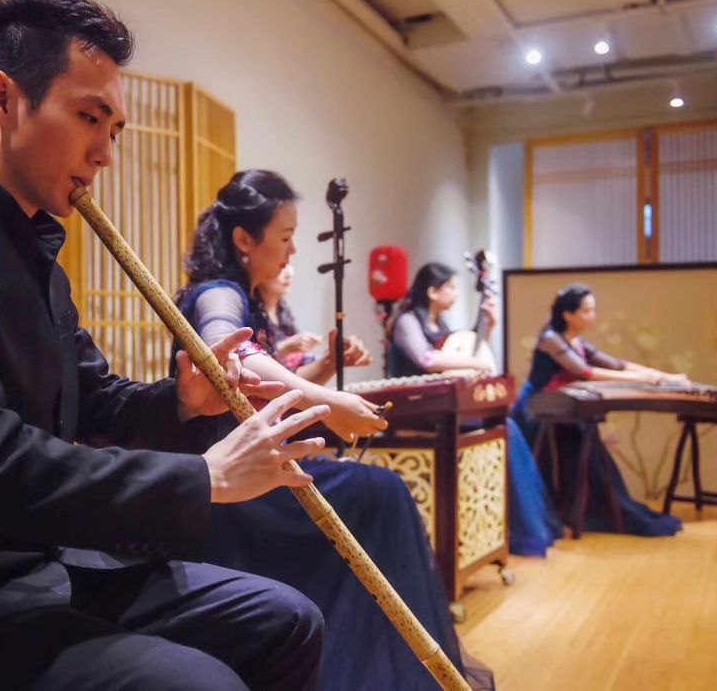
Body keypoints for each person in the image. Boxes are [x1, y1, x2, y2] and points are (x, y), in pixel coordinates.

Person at [0, 0, 334, 689]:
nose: (106, 153)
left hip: (50, 569)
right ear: (4, 99)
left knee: (286, 620)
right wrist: (203, 478)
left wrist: (182, 402)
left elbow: (94, 401)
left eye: (115, 129)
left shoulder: (36, 255)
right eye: (90, 118)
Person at [172, 170, 492, 691]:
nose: (292, 250)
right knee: (382, 494)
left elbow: (261, 391)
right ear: (244, 240)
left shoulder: (244, 294)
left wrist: (324, 369)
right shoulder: (219, 293)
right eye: (285, 237)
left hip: (259, 470)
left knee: (380, 494)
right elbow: (231, 353)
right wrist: (328, 402)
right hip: (233, 483)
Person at [387, 262, 561, 557]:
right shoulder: (407, 321)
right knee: (506, 429)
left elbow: (461, 356)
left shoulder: (440, 325)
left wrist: (487, 326)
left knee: (506, 428)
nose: (456, 293)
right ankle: (514, 530)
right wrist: (475, 363)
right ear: (432, 292)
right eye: (451, 287)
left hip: (443, 409)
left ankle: (506, 530)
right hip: (416, 409)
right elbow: (428, 360)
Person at [511, 284, 686, 537]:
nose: (592, 316)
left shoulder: (577, 341)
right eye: (586, 311)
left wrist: (662, 376)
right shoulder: (550, 339)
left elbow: (617, 365)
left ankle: (599, 508)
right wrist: (643, 380)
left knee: (591, 451)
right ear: (568, 315)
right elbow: (586, 372)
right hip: (537, 412)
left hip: (564, 409)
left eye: (592, 310)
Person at [258, 263, 372, 382]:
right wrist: (285, 348)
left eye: (289, 264)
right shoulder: (251, 314)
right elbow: (258, 370)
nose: (289, 274)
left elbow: (299, 366)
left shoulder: (282, 311)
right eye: (282, 265)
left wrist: (335, 353)